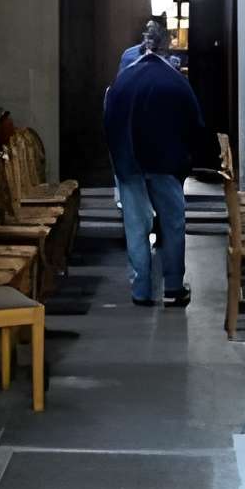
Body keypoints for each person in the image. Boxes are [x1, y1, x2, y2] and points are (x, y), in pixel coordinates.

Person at [103, 23, 205, 308]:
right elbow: (195, 127)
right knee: (172, 225)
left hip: (129, 163)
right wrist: (185, 161)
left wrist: (119, 162)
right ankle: (172, 288)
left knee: (136, 226)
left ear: (143, 46)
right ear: (166, 48)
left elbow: (108, 123)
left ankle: (141, 290)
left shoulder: (122, 81)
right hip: (165, 165)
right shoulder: (174, 82)